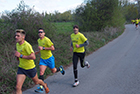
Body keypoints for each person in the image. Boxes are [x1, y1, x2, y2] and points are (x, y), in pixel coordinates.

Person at [14, 29, 49, 94]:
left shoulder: (27, 45)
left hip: (30, 68)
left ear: (23, 37)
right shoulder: (17, 44)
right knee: (18, 87)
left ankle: (44, 85)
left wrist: (21, 56)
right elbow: (19, 56)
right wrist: (17, 57)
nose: (16, 37)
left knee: (36, 82)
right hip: (21, 68)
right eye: (15, 35)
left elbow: (33, 57)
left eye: (18, 36)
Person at [35, 28, 65, 93]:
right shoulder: (38, 40)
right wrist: (38, 51)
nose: (40, 33)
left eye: (41, 32)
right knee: (41, 72)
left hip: (49, 58)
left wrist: (43, 48)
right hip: (43, 59)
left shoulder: (47, 40)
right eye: (39, 32)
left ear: (44, 33)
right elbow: (40, 49)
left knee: (53, 71)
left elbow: (52, 48)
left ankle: (60, 69)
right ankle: (41, 87)